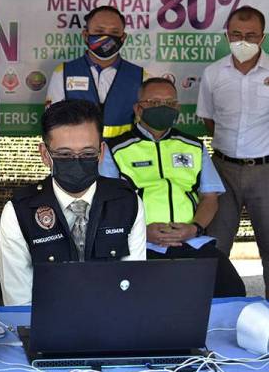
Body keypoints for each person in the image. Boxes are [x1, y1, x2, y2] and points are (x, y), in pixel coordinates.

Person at [101, 78, 245, 297]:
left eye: (170, 103)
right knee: (148, 300)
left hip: (190, 241)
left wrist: (194, 228)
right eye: (155, 102)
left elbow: (210, 197)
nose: (163, 108)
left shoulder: (194, 146)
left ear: (177, 108)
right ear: (138, 108)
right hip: (140, 244)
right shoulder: (114, 148)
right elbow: (106, 202)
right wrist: (140, 232)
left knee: (231, 289)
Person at [0, 99, 147, 306]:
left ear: (101, 152)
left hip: (113, 322)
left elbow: (132, 285)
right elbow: (19, 300)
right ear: (45, 154)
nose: (77, 161)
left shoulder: (127, 203)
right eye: (65, 154)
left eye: (87, 154)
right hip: (46, 326)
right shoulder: (19, 211)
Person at [197, 5, 269, 298]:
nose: (243, 41)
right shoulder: (213, 74)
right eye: (237, 34)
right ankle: (211, 318)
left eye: (251, 35)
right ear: (227, 34)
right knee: (214, 247)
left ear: (262, 37)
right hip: (222, 169)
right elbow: (209, 119)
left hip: (265, 171)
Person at [46, 5, 145, 139]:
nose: (106, 38)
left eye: (114, 33)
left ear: (123, 38)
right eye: (99, 31)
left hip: (123, 156)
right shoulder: (63, 73)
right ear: (85, 35)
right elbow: (52, 123)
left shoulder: (140, 77)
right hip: (78, 155)